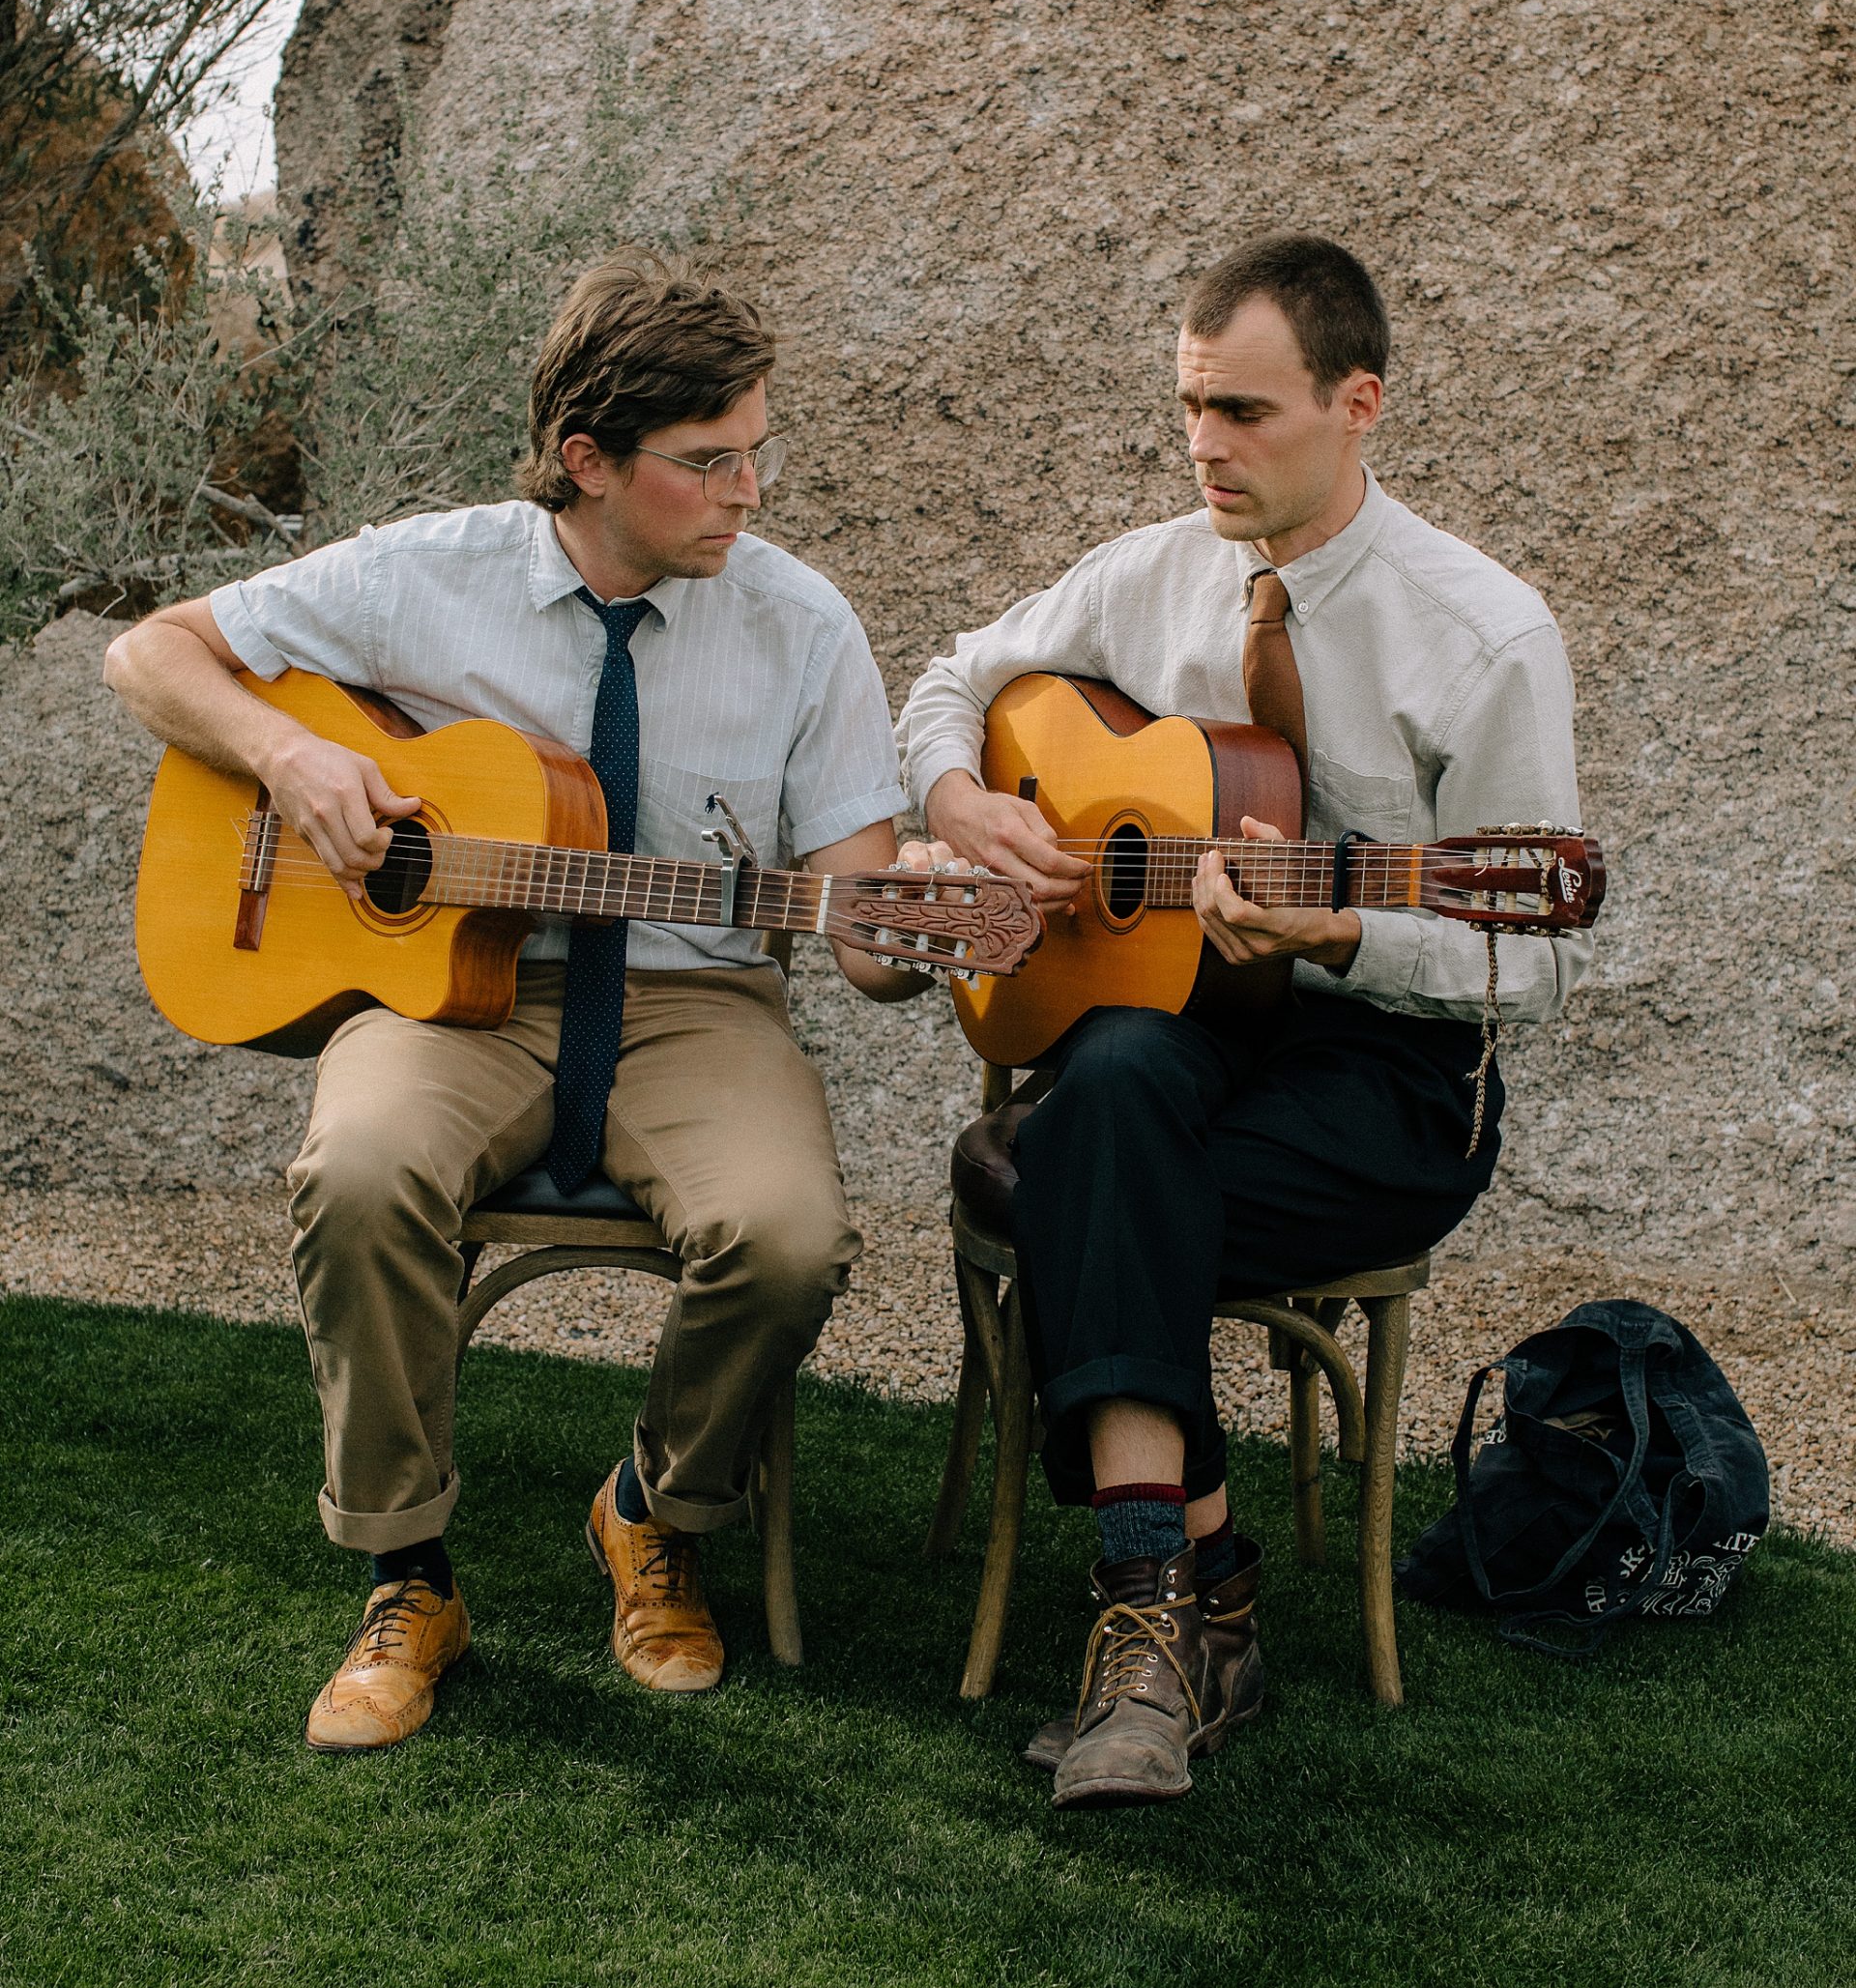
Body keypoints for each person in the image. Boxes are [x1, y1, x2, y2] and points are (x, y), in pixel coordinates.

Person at [106, 256, 929, 1751]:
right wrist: (292, 758)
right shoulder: (421, 573)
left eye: (757, 450)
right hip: (451, 996)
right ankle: (407, 1575)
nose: (748, 491)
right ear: (587, 460)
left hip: (696, 1004)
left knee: (788, 1238)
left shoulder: (802, 624)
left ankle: (652, 1509)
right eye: (708, 461)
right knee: (359, 1173)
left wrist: (922, 930)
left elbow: (867, 939)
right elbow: (148, 651)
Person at [895, 233, 1592, 1808]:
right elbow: (949, 683)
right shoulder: (1145, 573)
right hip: (1183, 1024)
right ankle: (1181, 1603)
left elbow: (1533, 966)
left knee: (1094, 1175)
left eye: (1246, 413)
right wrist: (959, 801)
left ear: (1360, 405)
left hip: (1391, 1075)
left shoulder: (1485, 637)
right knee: (1116, 1086)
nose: (1206, 446)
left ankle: (1176, 1610)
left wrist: (1341, 929)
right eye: (1192, 408)